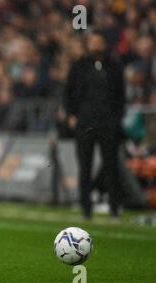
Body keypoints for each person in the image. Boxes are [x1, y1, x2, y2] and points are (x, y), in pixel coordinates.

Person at [64, 29, 125, 220]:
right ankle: (86, 208)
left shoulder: (114, 66)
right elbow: (68, 92)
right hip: (85, 123)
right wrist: (71, 114)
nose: (96, 45)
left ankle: (114, 207)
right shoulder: (79, 66)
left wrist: (116, 118)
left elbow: (121, 95)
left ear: (104, 44)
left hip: (108, 123)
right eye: (93, 42)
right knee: (85, 167)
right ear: (88, 44)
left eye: (99, 42)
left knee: (111, 166)